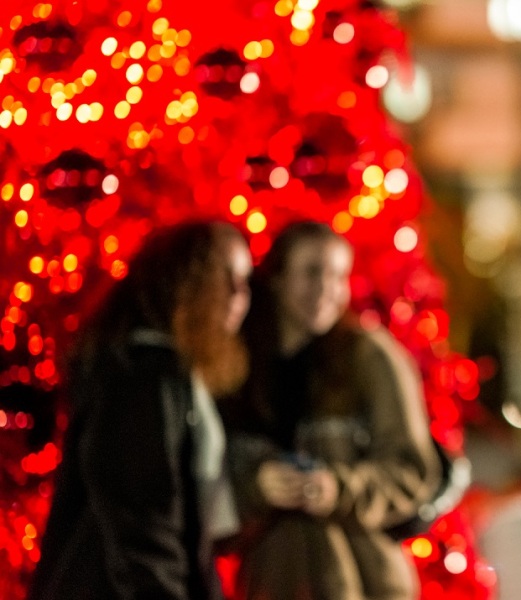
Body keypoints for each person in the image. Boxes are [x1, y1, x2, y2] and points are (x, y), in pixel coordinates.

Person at [29, 221, 253, 600]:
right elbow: (143, 525)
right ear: (183, 284)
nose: (238, 297)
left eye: (245, 282)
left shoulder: (162, 374)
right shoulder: (143, 379)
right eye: (225, 279)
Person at [221, 221, 441, 600]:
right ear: (276, 278)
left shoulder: (369, 357)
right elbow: (206, 479)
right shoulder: (238, 364)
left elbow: (412, 471)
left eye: (339, 276)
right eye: (311, 272)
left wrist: (338, 488)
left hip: (365, 583)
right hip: (271, 582)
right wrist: (257, 486)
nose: (326, 289)